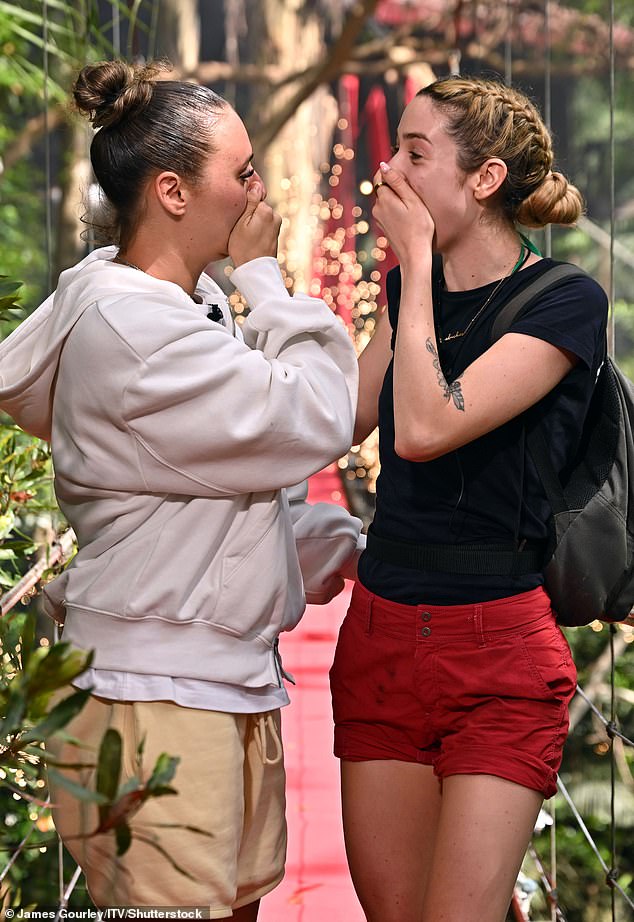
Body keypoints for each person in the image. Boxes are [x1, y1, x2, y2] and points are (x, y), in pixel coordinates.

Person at [0, 60, 363, 919]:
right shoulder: (135, 327)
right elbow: (314, 415)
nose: (256, 194)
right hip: (158, 694)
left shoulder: (184, 305)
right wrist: (265, 280)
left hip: (212, 679)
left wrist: (299, 548)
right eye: (240, 174)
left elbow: (195, 495)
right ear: (171, 190)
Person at [329, 75, 608, 922]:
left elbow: (420, 428)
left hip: (498, 650)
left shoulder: (564, 300)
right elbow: (340, 419)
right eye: (395, 150)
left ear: (484, 180)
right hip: (380, 634)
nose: (390, 172)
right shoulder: (401, 292)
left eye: (416, 154)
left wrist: (415, 264)